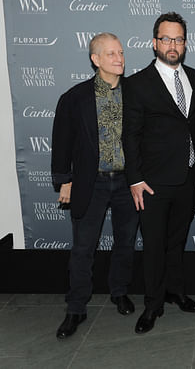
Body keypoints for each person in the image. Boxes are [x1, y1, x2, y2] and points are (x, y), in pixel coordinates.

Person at [51, 33, 139, 339]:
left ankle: (119, 291)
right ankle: (76, 308)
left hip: (129, 183)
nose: (119, 58)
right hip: (91, 183)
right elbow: (62, 143)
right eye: (111, 54)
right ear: (95, 59)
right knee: (83, 248)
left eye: (121, 52)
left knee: (125, 242)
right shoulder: (75, 98)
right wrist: (65, 181)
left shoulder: (136, 93)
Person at [122, 12, 195, 334]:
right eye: (166, 38)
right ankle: (152, 304)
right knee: (154, 245)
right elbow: (130, 135)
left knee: (176, 241)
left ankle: (176, 291)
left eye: (178, 39)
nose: (173, 45)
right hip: (152, 183)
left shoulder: (194, 75)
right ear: (154, 42)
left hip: (188, 175)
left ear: (185, 43)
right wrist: (135, 179)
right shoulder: (138, 83)